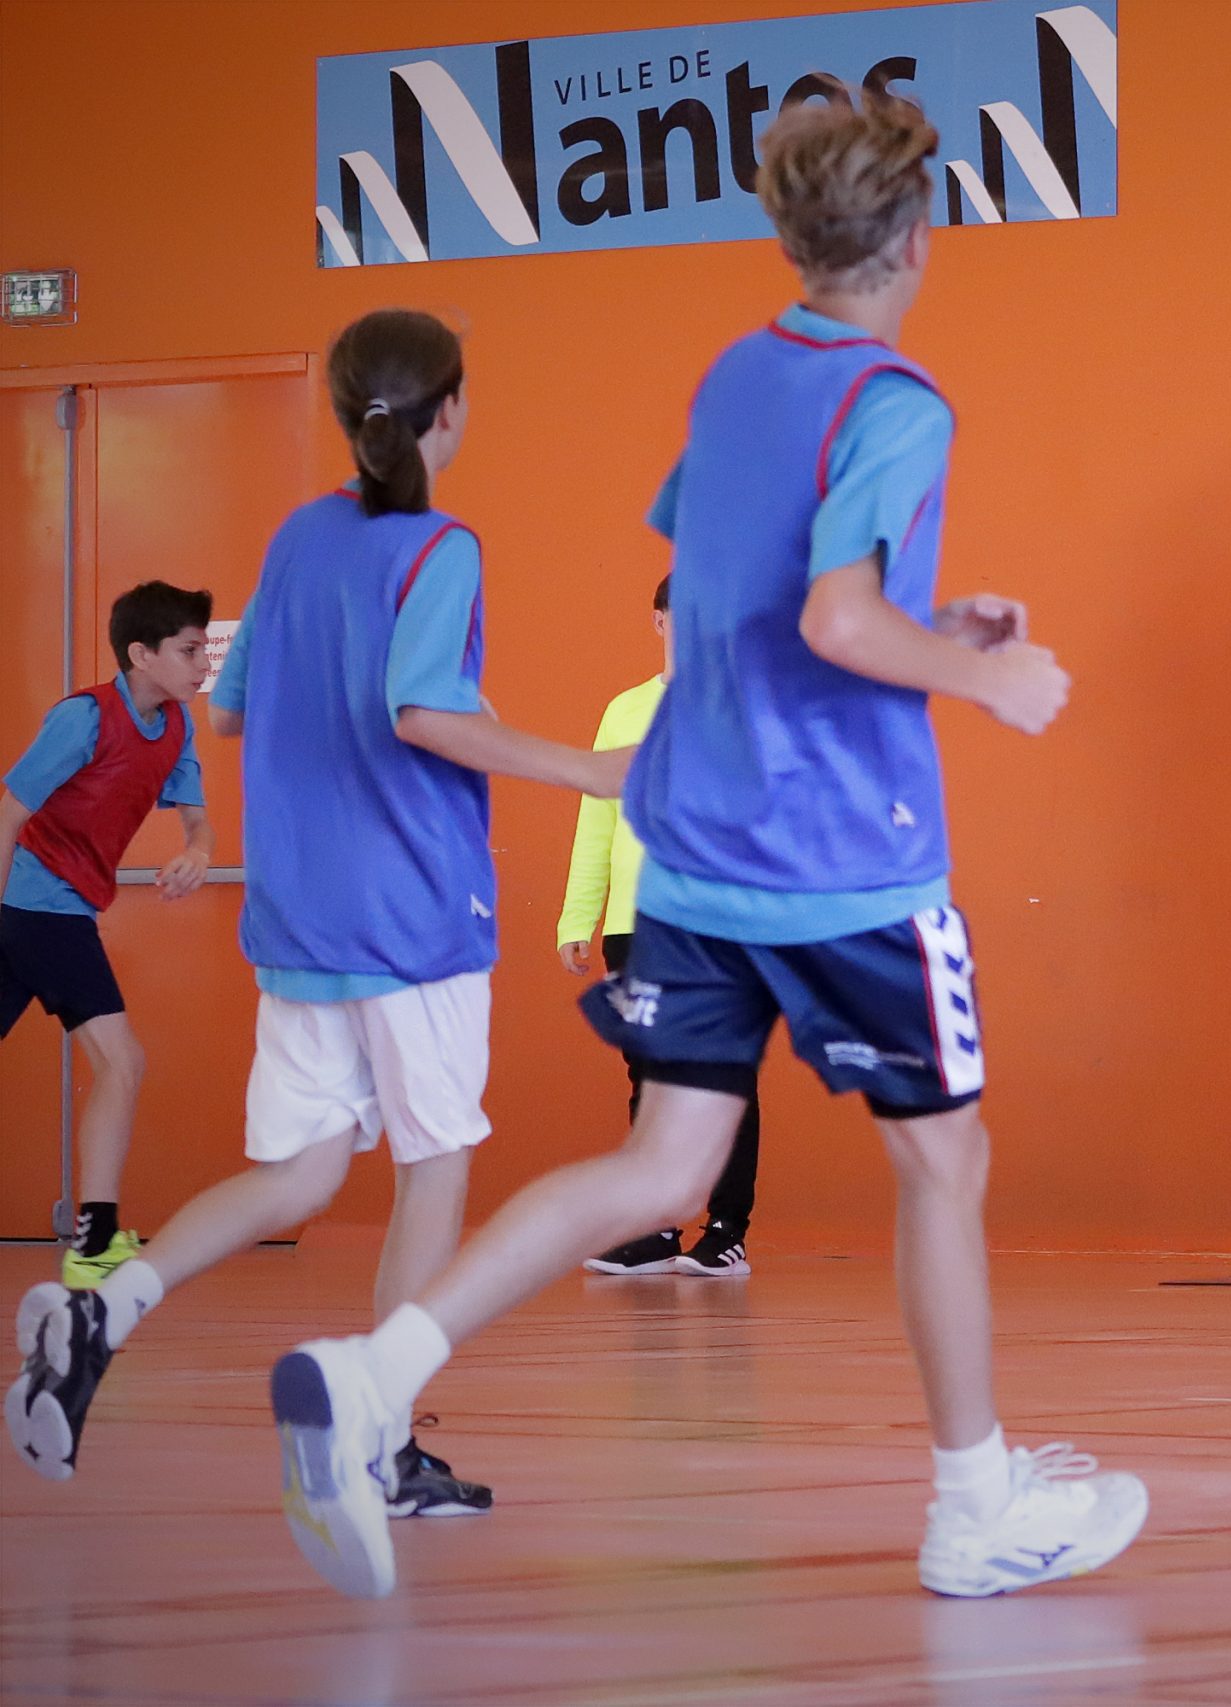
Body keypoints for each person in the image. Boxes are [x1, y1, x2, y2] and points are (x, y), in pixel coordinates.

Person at [259, 86, 1146, 1603]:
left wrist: (934, 620)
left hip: (690, 841)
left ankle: (374, 1373)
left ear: (792, 233)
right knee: (945, 1160)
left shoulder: (740, 374)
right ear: (916, 238)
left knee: (663, 1158)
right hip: (843, 860)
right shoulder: (899, 402)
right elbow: (834, 620)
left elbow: (746, 592)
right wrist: (976, 671)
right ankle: (974, 1502)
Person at [7, 309, 629, 1522]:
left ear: (351, 417)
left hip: (300, 915)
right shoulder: (441, 546)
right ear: (451, 410)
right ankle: (379, 1446)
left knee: (298, 1174)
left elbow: (228, 708)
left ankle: (103, 1310)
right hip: (413, 912)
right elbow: (420, 713)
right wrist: (588, 769)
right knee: (432, 1169)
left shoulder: (298, 536)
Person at [0, 581, 216, 1287]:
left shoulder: (176, 725)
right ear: (141, 654)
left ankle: (92, 1241)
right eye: (189, 650)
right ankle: (94, 1242)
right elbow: (8, 812)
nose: (201, 664)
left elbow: (196, 818)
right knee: (123, 1062)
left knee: (120, 1064)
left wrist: (197, 851)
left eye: (203, 650)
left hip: (53, 909)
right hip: (38, 904)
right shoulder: (84, 718)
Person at [561, 574, 762, 1277]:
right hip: (634, 922)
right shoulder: (623, 711)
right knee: (650, 1077)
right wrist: (578, 915)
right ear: (658, 621)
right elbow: (595, 816)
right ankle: (655, 1227)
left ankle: (727, 1229)